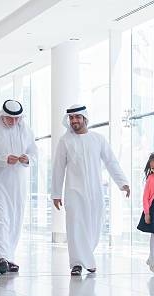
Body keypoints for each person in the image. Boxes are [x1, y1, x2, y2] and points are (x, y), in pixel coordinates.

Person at [52, 104, 130, 276]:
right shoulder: (65, 141)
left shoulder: (98, 139)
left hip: (95, 192)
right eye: (71, 118)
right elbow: (58, 168)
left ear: (85, 118)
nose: (74, 121)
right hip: (73, 191)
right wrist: (56, 194)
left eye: (77, 117)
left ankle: (86, 257)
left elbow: (111, 162)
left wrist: (122, 182)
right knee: (75, 226)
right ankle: (77, 264)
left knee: (94, 225)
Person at [0, 100, 38, 274]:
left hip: (18, 182)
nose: (13, 122)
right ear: (2, 115)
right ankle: (1, 257)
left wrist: (27, 158)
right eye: (9, 118)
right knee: (0, 218)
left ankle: (10, 256)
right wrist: (4, 159)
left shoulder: (26, 131)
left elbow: (35, 154)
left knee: (16, 218)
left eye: (16, 118)